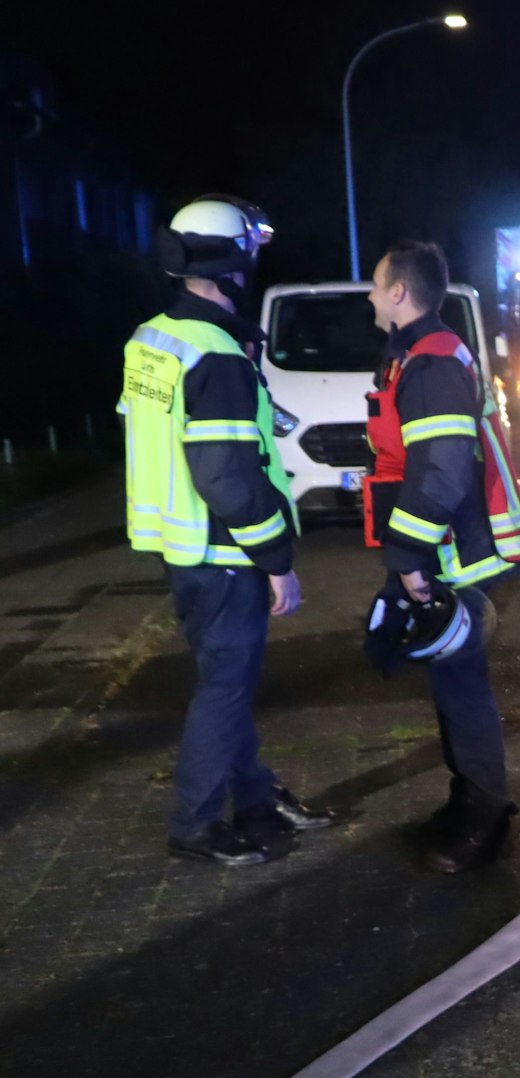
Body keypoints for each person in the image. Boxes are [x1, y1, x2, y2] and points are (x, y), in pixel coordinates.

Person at [121, 195, 335, 866]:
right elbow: (227, 476)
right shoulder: (216, 353)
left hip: (183, 548)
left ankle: (256, 798)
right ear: (234, 257)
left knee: (227, 683)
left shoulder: (152, 337)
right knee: (223, 690)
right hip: (224, 550)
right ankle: (196, 822)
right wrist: (275, 558)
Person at [365, 240, 520, 873]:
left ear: (400, 293)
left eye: (377, 286)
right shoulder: (423, 354)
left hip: (457, 556)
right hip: (451, 551)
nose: (372, 297)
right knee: (452, 687)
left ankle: (484, 821)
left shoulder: (430, 365)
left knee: (463, 692)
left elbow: (438, 475)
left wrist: (407, 561)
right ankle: (467, 803)